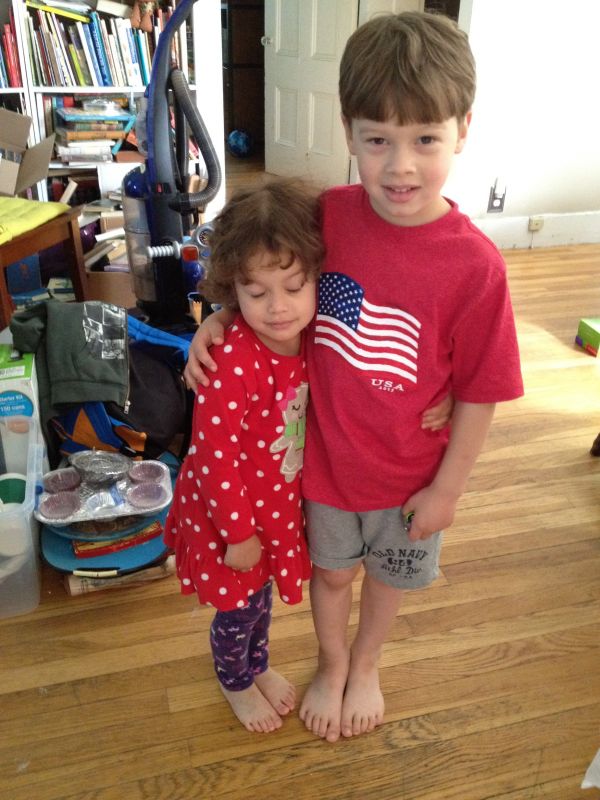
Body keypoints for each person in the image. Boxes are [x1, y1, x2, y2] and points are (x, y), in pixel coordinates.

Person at [184, 11, 523, 743]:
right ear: (347, 132)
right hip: (324, 468)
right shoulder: (326, 216)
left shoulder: (477, 267)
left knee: (389, 582)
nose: (400, 166)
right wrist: (221, 318)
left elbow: (481, 392)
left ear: (463, 130)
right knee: (333, 577)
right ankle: (333, 662)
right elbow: (261, 267)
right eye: (377, 140)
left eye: (425, 139)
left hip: (411, 478)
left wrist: (448, 489)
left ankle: (366, 664)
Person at [164, 179, 324, 733]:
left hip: (273, 509)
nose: (278, 307)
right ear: (232, 289)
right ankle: (234, 680)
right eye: (256, 294)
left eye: (294, 286)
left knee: (259, 601)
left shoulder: (311, 336)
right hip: (230, 517)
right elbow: (212, 458)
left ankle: (257, 665)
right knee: (237, 609)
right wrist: (237, 534)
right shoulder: (232, 361)